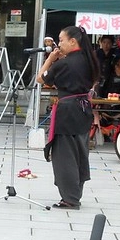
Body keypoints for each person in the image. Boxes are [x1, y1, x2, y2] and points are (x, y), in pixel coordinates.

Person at [36, 25, 100, 209]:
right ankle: (75, 194)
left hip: (68, 109)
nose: (59, 44)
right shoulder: (89, 60)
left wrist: (50, 59)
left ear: (73, 41)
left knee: (65, 155)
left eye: (62, 40)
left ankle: (70, 198)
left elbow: (40, 78)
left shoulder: (64, 63)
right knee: (80, 151)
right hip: (84, 108)